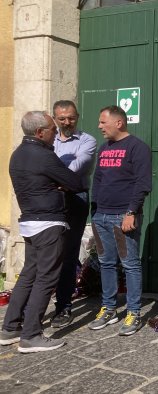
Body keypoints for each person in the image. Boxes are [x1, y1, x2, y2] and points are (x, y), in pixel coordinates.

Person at [0, 111, 85, 353]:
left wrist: (55, 183)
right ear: (39, 133)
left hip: (29, 221)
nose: (56, 132)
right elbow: (76, 182)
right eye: (51, 128)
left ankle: (10, 327)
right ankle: (31, 335)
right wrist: (60, 184)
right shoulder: (44, 155)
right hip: (47, 222)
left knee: (29, 275)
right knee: (46, 278)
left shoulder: (17, 154)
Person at [88, 105, 151, 336]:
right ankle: (109, 309)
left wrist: (131, 212)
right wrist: (94, 211)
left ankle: (134, 312)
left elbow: (142, 184)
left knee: (130, 264)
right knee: (106, 263)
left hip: (123, 216)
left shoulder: (138, 148)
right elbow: (98, 180)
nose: (99, 126)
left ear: (119, 123)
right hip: (101, 216)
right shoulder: (104, 149)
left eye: (103, 122)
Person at [49, 100, 97, 328]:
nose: (67, 122)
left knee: (68, 255)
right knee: (48, 254)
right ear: (54, 118)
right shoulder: (48, 140)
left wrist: (51, 177)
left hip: (76, 199)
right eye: (62, 118)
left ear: (77, 116)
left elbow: (78, 166)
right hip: (50, 200)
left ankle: (63, 307)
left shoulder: (87, 140)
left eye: (71, 118)